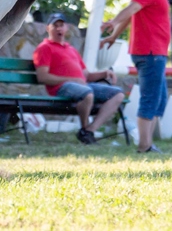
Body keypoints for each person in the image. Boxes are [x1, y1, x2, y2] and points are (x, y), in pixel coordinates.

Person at [100, 0, 172, 153]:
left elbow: (133, 14)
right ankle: (144, 146)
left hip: (156, 52)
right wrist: (113, 22)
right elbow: (132, 9)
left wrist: (114, 36)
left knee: (159, 100)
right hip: (150, 52)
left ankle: (148, 144)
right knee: (150, 99)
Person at [32, 12, 125, 145]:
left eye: (61, 25)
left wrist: (104, 73)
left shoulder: (71, 49)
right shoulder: (44, 48)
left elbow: (86, 76)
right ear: (48, 28)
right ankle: (84, 128)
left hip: (83, 86)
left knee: (118, 94)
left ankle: (89, 131)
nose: (58, 28)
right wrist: (70, 80)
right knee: (87, 94)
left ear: (66, 28)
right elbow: (42, 77)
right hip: (61, 88)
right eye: (55, 26)